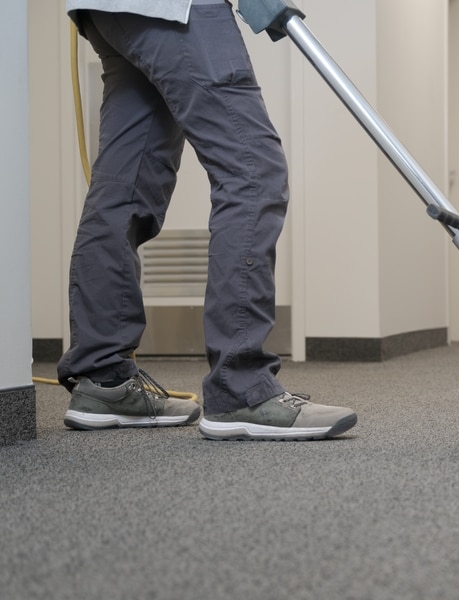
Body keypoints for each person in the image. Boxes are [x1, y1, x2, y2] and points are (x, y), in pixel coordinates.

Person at [58, 0, 357, 440]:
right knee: (252, 168)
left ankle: (104, 380)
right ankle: (242, 389)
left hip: (106, 10)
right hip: (177, 6)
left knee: (125, 185)